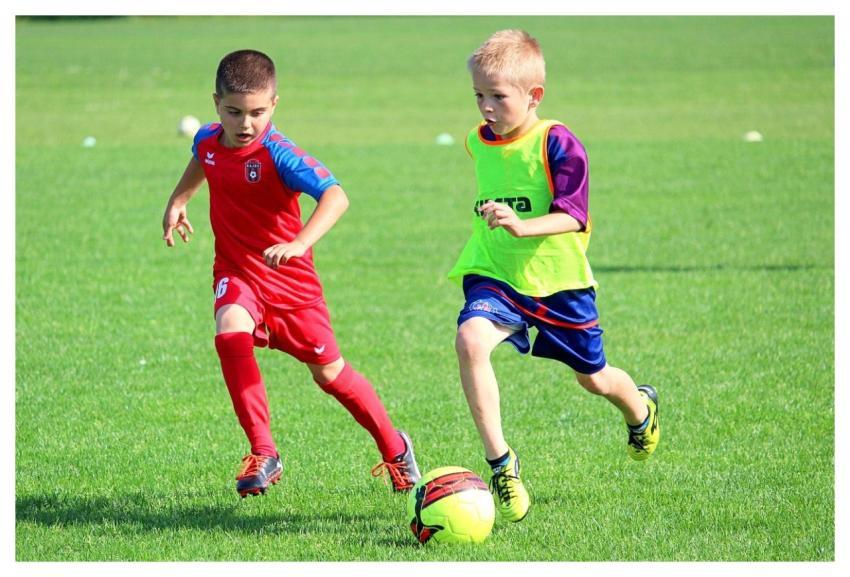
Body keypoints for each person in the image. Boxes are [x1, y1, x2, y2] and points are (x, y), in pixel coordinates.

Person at [161, 49, 420, 498]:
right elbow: (204, 160)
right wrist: (178, 201)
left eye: (258, 112)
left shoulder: (281, 154)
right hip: (238, 271)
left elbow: (336, 195)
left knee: (330, 376)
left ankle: (395, 448)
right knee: (230, 333)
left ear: (275, 105)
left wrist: (300, 243)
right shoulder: (207, 140)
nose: (246, 123)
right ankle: (264, 451)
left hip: (292, 287)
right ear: (216, 103)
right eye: (234, 112)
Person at [448, 30, 660, 523]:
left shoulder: (558, 142)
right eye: (478, 95)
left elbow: (574, 214)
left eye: (498, 97)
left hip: (559, 283)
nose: (485, 108)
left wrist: (522, 225)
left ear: (534, 96)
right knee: (470, 341)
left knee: (595, 379)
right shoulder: (476, 141)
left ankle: (640, 410)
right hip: (494, 272)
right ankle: (502, 464)